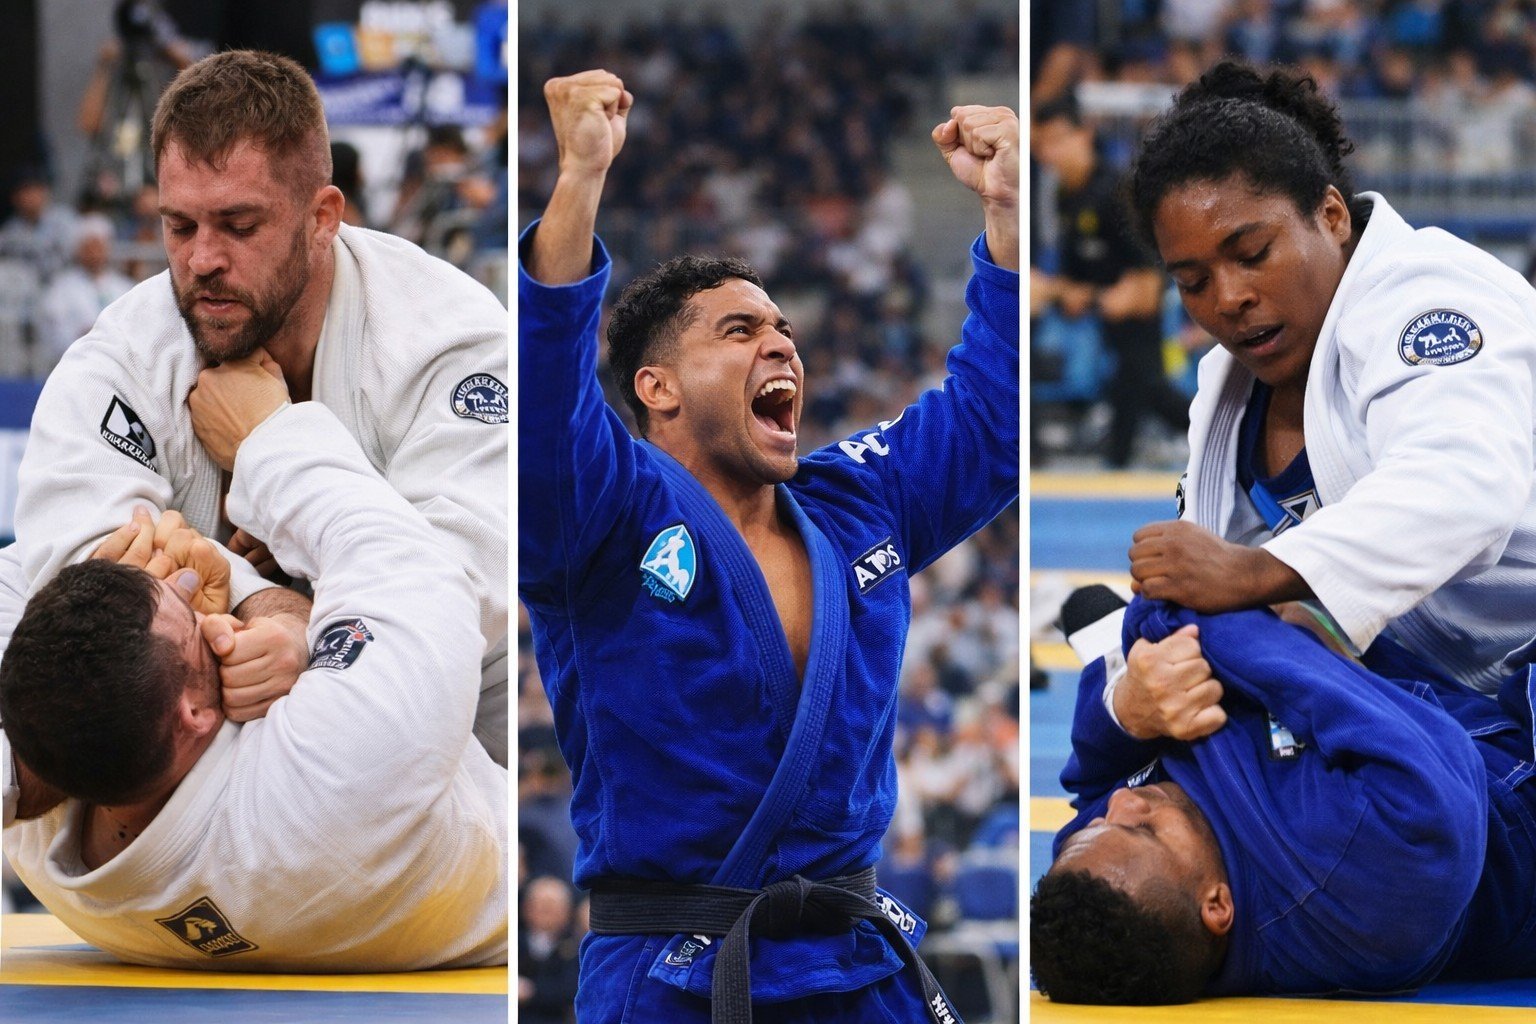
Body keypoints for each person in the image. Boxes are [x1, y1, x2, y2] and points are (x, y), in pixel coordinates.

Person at [518, 70, 1018, 1021]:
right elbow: (546, 411)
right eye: (740, 330)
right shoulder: (605, 510)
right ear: (658, 387)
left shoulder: (856, 501)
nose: (783, 345)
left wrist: (1007, 215)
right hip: (675, 974)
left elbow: (994, 422)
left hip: (858, 971)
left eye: (784, 329)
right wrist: (580, 179)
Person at [11, 50, 510, 762]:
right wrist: (272, 605)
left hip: (432, 753)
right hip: (193, 740)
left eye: (239, 225)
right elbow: (76, 568)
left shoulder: (449, 337)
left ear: (323, 217)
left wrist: (271, 442)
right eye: (179, 226)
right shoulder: (123, 355)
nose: (202, 260)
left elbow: (459, 600)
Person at [0, 392, 507, 970]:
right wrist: (264, 435)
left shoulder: (43, 809)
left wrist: (211, 580)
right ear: (195, 714)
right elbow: (409, 562)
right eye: (195, 619)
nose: (208, 607)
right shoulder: (331, 771)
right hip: (477, 887)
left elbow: (25, 568)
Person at [1122, 59, 1536, 693]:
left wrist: (1260, 572)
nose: (1228, 298)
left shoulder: (1430, 294)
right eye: (1194, 282)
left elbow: (1464, 483)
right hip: (1447, 696)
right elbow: (1219, 592)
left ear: (1332, 215)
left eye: (1253, 253)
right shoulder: (1226, 391)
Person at [1030, 586, 1536, 1003]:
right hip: (1507, 746)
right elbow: (1426, 744)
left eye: (1097, 825)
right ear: (1217, 906)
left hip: (1405, 673)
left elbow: (1094, 783)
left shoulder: (1104, 876)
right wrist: (1188, 614)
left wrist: (1126, 708)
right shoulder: (1358, 884)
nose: (1122, 804)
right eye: (1145, 829)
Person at [1031, 95, 1188, 469]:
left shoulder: (1116, 192)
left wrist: (1059, 292)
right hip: (1109, 330)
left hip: (1135, 328)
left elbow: (1145, 292)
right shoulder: (1065, 197)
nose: (1050, 154)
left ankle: (1232, 435)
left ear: (1084, 134)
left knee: (1150, 391)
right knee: (1132, 396)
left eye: (1057, 140)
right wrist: (1061, 292)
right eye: (1042, 145)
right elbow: (1072, 285)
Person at [35, 214, 135, 372]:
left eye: (99, 247)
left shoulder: (125, 287)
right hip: (75, 367)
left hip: (118, 368)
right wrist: (85, 337)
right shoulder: (61, 288)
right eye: (89, 247)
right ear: (78, 251)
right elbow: (54, 329)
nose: (94, 253)